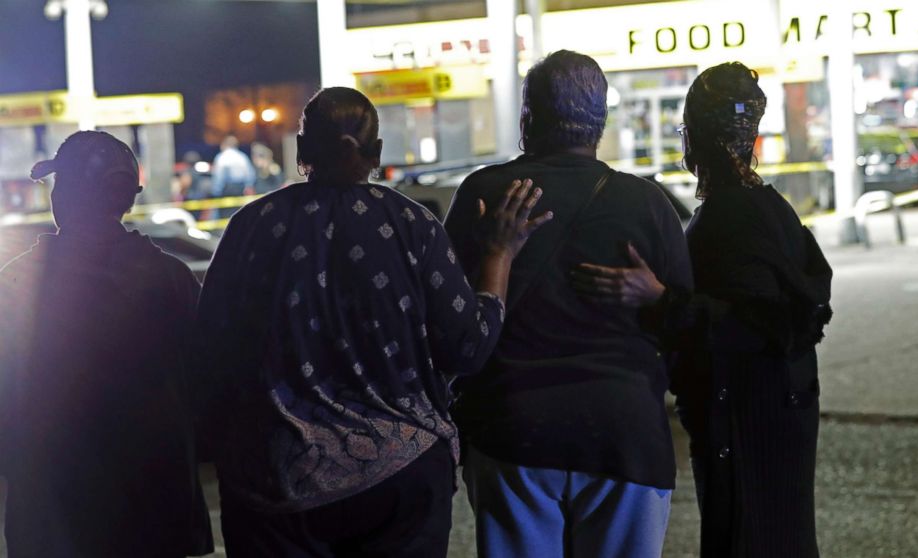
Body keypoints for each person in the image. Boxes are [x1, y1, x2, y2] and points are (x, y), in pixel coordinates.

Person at [195, 87, 551, 557]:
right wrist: (499, 257)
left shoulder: (252, 227)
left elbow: (209, 354)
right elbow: (468, 347)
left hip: (275, 486)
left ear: (301, 151)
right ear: (377, 153)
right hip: (401, 481)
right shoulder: (413, 226)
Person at [572, 62, 833, 558]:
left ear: (697, 136)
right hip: (778, 411)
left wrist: (659, 299)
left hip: (745, 418)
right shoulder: (769, 206)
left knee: (747, 536)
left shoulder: (730, 215)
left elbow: (758, 323)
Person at [443, 50, 692, 558]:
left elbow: (447, 317)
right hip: (624, 434)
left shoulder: (486, 193)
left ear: (527, 118)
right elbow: (683, 325)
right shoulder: (646, 202)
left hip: (512, 434)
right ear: (600, 122)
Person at [0, 131, 213, 558]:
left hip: (54, 507)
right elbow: (208, 387)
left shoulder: (18, 281)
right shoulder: (172, 279)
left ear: (71, 195)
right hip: (153, 501)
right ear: (127, 199)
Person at [211, 135, 256, 217]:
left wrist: (216, 192)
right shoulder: (242, 157)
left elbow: (219, 176)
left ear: (224, 144)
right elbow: (250, 174)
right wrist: (248, 186)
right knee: (238, 214)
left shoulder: (222, 157)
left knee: (225, 216)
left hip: (226, 190)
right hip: (240, 189)